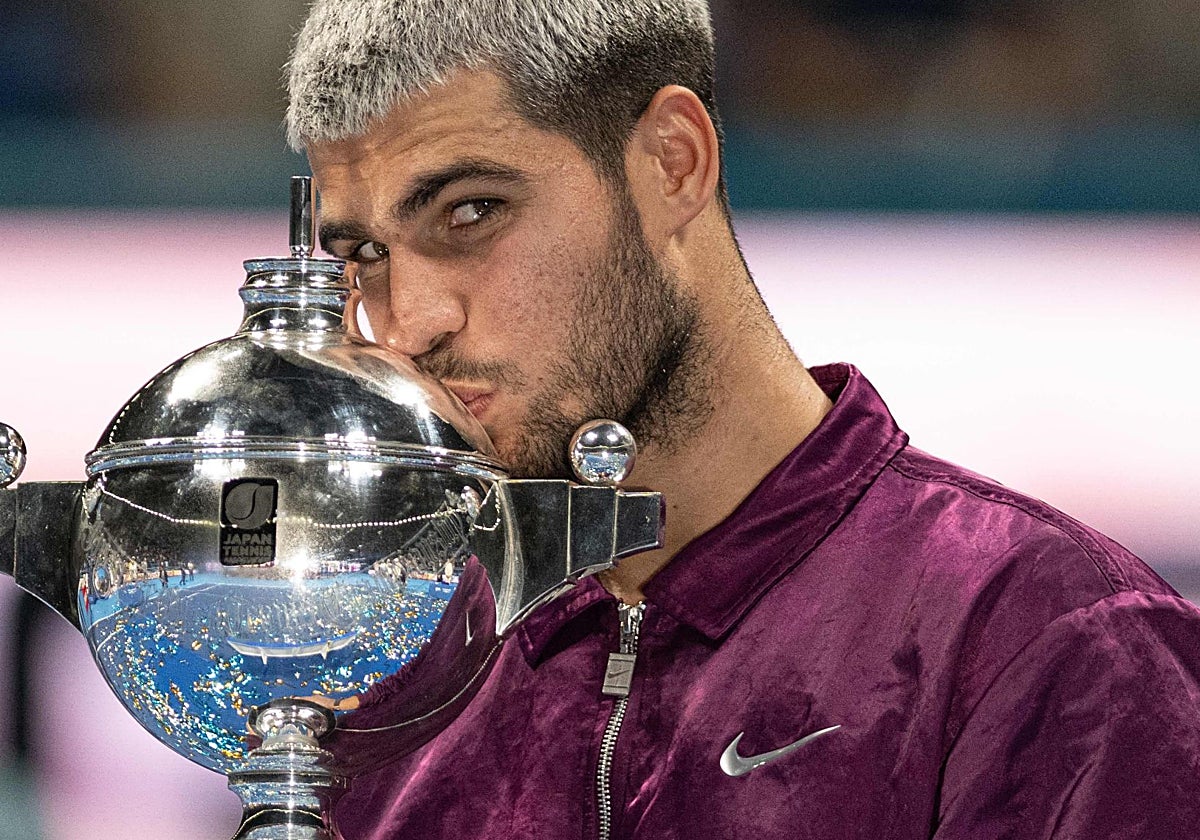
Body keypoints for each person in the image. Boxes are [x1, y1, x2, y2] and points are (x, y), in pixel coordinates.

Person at [286, 2, 1200, 837]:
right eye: (363, 254)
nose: (405, 325)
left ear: (672, 162)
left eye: (471, 213)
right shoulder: (388, 685)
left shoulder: (1053, 642)